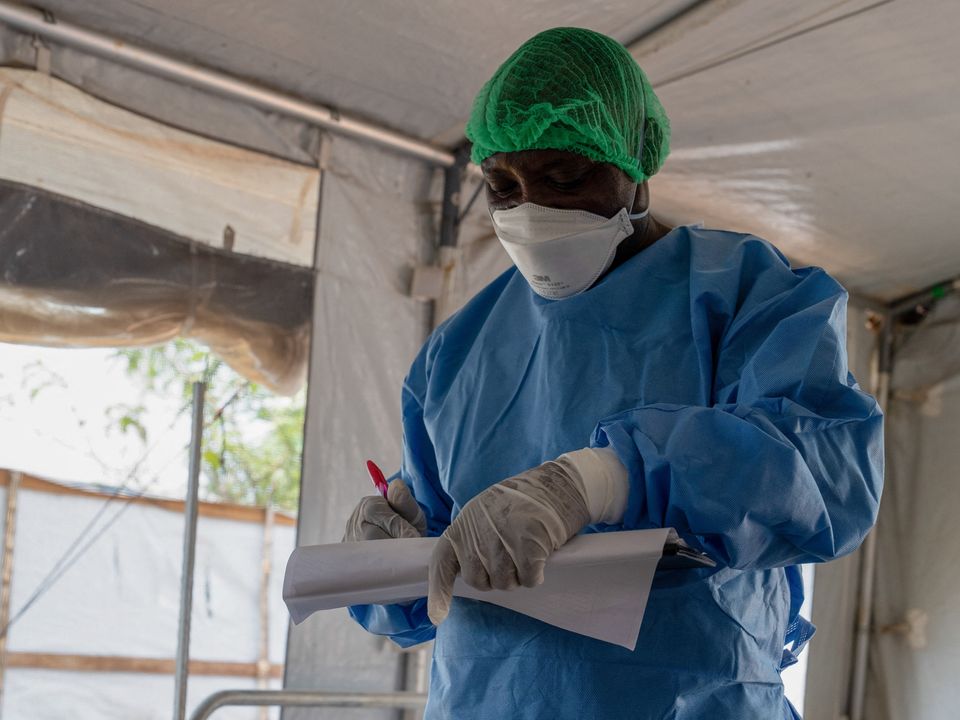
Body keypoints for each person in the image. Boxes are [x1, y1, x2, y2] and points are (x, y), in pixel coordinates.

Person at [342, 27, 883, 719]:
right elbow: (436, 574)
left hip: (688, 698)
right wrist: (388, 559)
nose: (530, 208)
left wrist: (601, 481)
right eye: (501, 185)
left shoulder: (749, 295)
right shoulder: (456, 353)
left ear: (637, 164)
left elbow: (822, 473)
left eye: (564, 178)